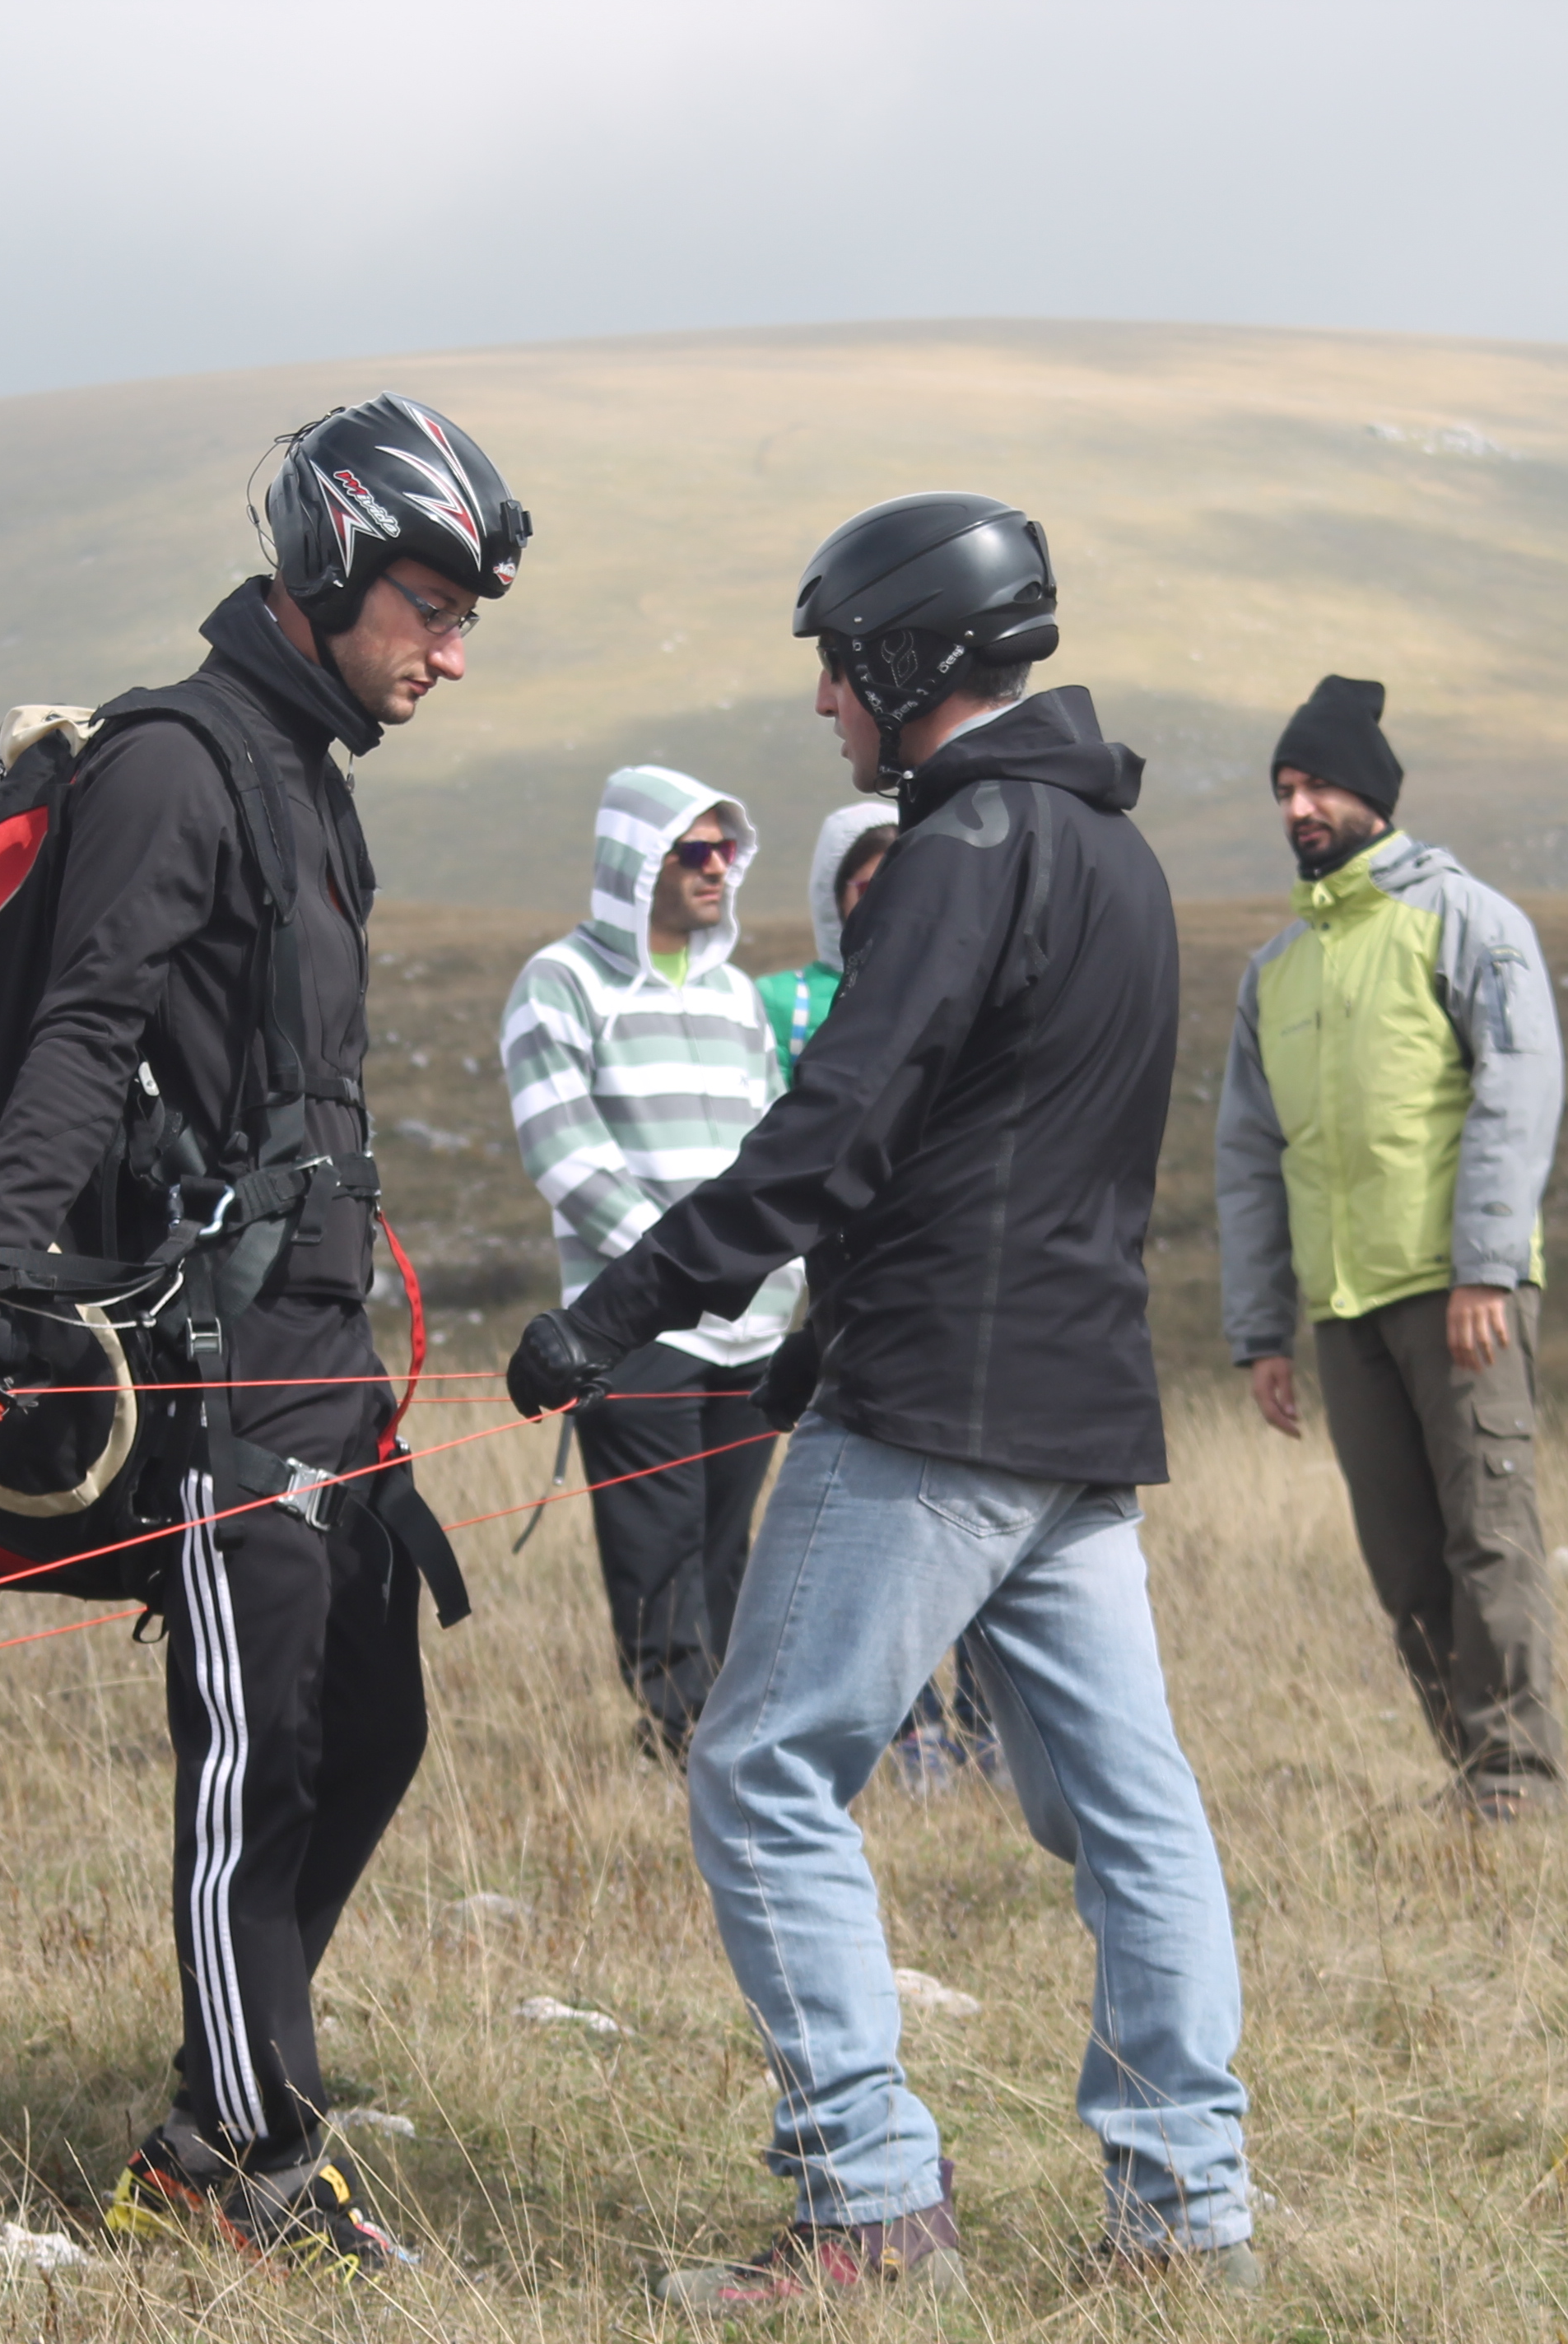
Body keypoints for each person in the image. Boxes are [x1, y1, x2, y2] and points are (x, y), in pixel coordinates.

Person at [508, 492, 1259, 2308]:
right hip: (1072, 1409)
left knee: (761, 1770)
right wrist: (797, 1344)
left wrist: (613, 1312)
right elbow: (999, 1147)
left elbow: (834, 1131)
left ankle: (867, 2205)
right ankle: (1189, 2223)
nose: (831, 711)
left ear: (910, 657)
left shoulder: (963, 846)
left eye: (841, 670)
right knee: (1133, 1816)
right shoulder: (1122, 859)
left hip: (937, 1410)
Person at [0, 394, 530, 2274]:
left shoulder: (304, 769)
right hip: (208, 1369)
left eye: (463, 617)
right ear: (334, 565)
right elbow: (83, 1023)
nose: (448, 650)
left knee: (369, 1721)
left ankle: (242, 2067)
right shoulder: (180, 763)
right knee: (251, 1754)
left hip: (318, 1355)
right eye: (429, 606)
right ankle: (234, 2149)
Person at [1215, 675, 1567, 1821]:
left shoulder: (1468, 921)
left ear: (1371, 793)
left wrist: (1484, 1267)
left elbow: (1519, 1093)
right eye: (1283, 789)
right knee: (1405, 1569)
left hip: (1458, 1295)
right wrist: (1263, 1330)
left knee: (1490, 1540)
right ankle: (1471, 1777)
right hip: (1344, 1309)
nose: (1298, 808)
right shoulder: (1277, 971)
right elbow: (1249, 1156)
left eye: (1316, 784)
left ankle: (1521, 1789)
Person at [498, 769, 799, 1756]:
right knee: (656, 1543)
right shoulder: (561, 982)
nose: (719, 870)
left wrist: (777, 1275)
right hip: (636, 1325)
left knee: (725, 1542)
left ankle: (726, 1733)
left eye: (727, 851)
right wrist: (676, 1276)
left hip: (752, 1328)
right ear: (637, 864)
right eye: (694, 852)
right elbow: (565, 1155)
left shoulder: (738, 999)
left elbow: (773, 1149)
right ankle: (681, 1732)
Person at [756, 806, 993, 1786]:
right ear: (831, 892)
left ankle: (985, 1719)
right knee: (870, 1525)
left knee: (968, 1512)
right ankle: (905, 1725)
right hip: (835, 1299)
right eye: (862, 878)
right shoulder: (786, 1002)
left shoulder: (966, 987)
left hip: (951, 1295)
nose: (881, 895)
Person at [754, 802, 897, 1077]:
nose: (891, 901)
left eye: (905, 882)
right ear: (833, 894)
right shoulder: (780, 999)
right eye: (870, 888)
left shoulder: (949, 990)